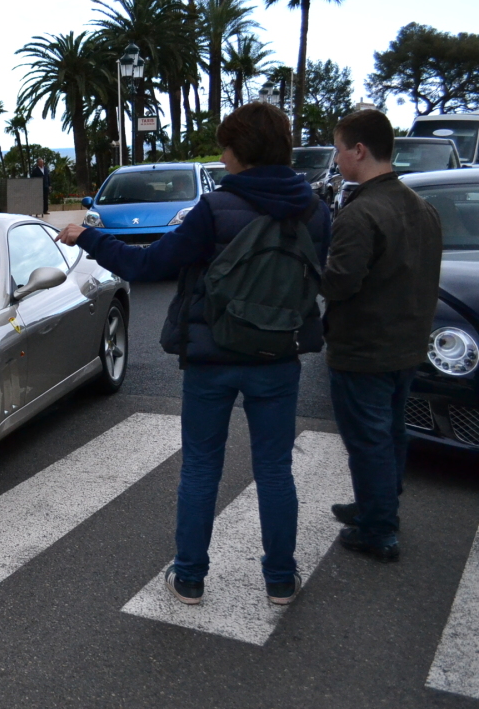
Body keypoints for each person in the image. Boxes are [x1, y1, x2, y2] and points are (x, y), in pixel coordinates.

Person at [58, 103, 331, 607]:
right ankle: (279, 581)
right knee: (274, 470)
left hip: (213, 355)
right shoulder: (315, 210)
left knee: (202, 467)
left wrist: (88, 236)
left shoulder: (215, 209)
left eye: (227, 146)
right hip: (278, 355)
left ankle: (189, 578)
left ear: (239, 152)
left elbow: (149, 263)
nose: (223, 156)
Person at [323, 109, 443, 563]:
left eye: (338, 150)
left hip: (363, 347)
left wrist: (313, 271)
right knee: (391, 432)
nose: (336, 160)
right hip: (407, 344)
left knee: (367, 438)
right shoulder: (423, 208)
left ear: (359, 150)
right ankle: (379, 505)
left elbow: (339, 282)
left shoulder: (361, 213)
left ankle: (378, 529)